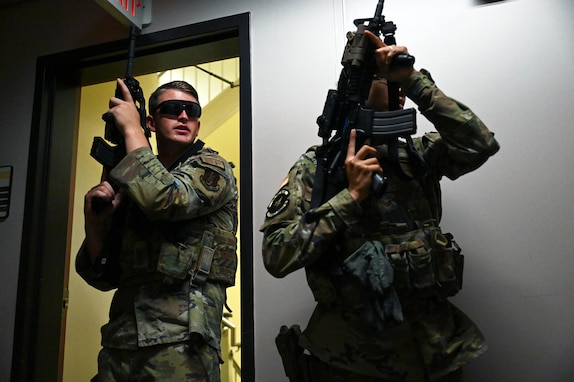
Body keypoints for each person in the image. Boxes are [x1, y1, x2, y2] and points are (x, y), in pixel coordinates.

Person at [260, 30, 499, 382]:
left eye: (391, 82)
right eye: (375, 77)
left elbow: (479, 143)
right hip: (352, 361)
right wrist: (350, 197)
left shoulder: (419, 154)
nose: (390, 86)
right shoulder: (319, 165)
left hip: (434, 353)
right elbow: (277, 255)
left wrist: (413, 79)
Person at [76, 79, 238, 381]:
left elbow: (167, 200)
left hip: (180, 344)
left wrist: (133, 131)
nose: (183, 116)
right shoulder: (134, 181)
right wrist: (95, 227)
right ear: (152, 120)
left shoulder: (211, 167)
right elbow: (104, 276)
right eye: (173, 109)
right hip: (121, 342)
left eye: (191, 110)